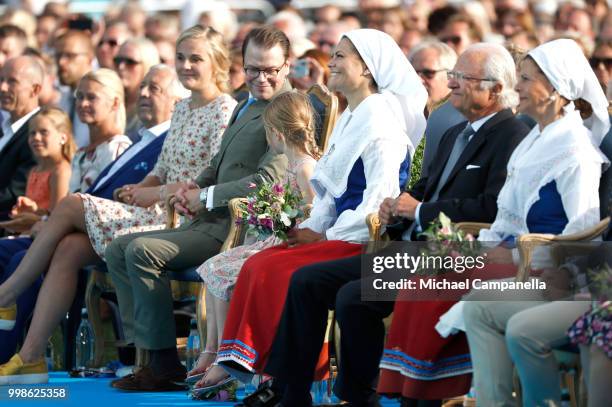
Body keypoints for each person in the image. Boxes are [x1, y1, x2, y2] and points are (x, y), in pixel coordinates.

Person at [263, 42, 529, 407]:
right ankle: (291, 395)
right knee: (309, 280)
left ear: (495, 89)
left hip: (460, 256)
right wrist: (394, 206)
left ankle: (359, 396)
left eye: (462, 78)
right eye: (451, 77)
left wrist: (418, 211)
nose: (451, 85)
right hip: (414, 250)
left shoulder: (511, 135)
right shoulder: (455, 132)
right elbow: (424, 187)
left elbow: (491, 206)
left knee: (352, 296)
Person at [218, 28, 427, 407]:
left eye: (342, 55)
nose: (331, 61)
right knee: (259, 262)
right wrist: (312, 228)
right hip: (335, 233)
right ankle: (278, 381)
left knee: (275, 271)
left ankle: (286, 386)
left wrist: (326, 233)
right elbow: (331, 192)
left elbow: (378, 203)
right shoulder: (353, 115)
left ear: (367, 69)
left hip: (359, 241)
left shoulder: (381, 125)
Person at [104, 25, 290, 392]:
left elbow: (269, 180)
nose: (261, 78)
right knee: (117, 248)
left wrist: (205, 197)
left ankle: (161, 363)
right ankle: (147, 354)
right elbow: (219, 162)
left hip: (239, 226)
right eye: (253, 69)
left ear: (287, 67)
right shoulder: (244, 103)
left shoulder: (286, 108)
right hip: (208, 219)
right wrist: (194, 185)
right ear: (243, 66)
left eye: (270, 70)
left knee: (142, 251)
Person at [0, 65, 184, 382]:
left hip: (152, 221)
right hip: (109, 221)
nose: (141, 94)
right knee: (68, 248)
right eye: (142, 87)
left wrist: (54, 218)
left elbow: (132, 194)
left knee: (70, 205)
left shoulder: (169, 136)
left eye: (154, 89)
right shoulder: (144, 139)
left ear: (177, 102)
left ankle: (6, 296)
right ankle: (30, 357)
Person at [459, 38, 609, 406]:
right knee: (474, 303)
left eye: (526, 79)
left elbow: (583, 230)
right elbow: (508, 216)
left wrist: (532, 261)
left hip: (562, 279)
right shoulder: (535, 140)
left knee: (479, 303)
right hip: (528, 267)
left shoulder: (575, 149)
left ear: (556, 88)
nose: (517, 87)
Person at [188, 91, 319, 396]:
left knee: (223, 270)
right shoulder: (290, 163)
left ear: (275, 133)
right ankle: (222, 352)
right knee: (215, 268)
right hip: (274, 238)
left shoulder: (304, 168)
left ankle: (229, 360)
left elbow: (314, 216)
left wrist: (283, 221)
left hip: (292, 244)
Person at [0, 107, 75, 235]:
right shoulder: (35, 170)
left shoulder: (61, 171)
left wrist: (32, 218)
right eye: (32, 133)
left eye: (44, 132)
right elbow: (42, 213)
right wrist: (28, 211)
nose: (36, 137)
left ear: (63, 137)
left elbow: (56, 219)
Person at [408, 40, 466, 177]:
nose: (418, 80)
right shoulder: (400, 116)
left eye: (428, 73)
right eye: (412, 72)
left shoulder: (463, 119)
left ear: (451, 76)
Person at [0, 56, 43, 216]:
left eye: (12, 81)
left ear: (35, 90)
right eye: (1, 79)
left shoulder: (39, 134)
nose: (3, 87)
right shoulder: (5, 127)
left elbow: (15, 193)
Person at [114, 38, 161, 141]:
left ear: (148, 65)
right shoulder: (110, 103)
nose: (121, 67)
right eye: (117, 61)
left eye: (130, 62)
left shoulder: (154, 111)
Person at [55, 30, 95, 148]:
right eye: (58, 55)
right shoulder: (65, 99)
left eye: (70, 55)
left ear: (89, 59)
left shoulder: (102, 98)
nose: (61, 62)